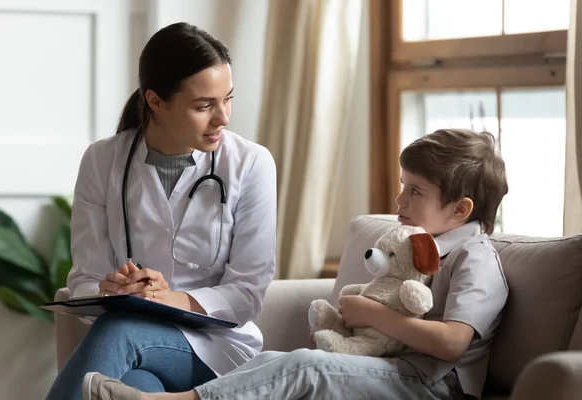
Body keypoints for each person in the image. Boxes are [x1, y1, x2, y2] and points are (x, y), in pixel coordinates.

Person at [80, 128, 510, 400]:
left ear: (460, 209)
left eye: (415, 192)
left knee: (301, 367)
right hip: (393, 368)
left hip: (433, 386)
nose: (399, 201)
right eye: (403, 187)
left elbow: (453, 343)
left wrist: (372, 314)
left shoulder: (474, 257)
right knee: (274, 361)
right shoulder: (410, 248)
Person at [45, 22, 277, 400]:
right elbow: (84, 279)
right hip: (133, 346)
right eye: (204, 105)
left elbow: (248, 293)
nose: (223, 118)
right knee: (136, 388)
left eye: (227, 99)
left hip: (217, 347)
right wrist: (109, 290)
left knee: (121, 329)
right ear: (156, 101)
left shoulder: (251, 163)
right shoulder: (102, 161)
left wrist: (170, 299)